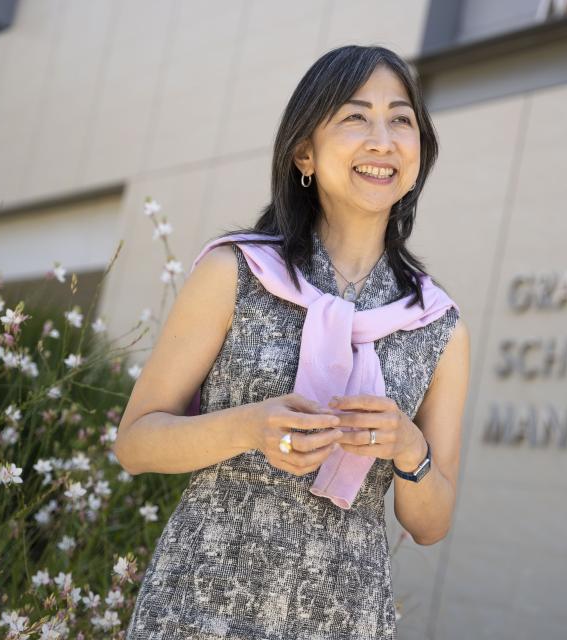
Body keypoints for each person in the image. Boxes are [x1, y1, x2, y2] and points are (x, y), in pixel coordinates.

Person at [114, 44, 470, 639]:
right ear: (304, 151)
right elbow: (136, 443)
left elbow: (431, 524)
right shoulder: (236, 273)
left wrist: (409, 449)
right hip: (199, 607)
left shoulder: (436, 324)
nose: (382, 139)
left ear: (417, 155)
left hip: (343, 620)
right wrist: (248, 427)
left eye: (401, 119)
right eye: (355, 117)